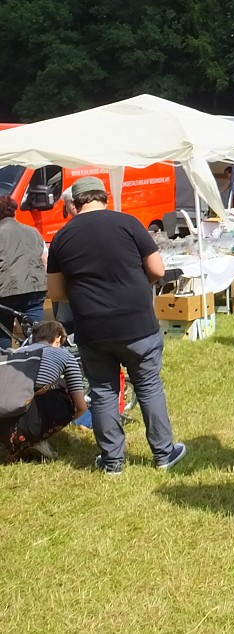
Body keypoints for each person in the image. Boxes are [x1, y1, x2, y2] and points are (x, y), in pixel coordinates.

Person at [46, 175, 186, 474]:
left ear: (74, 203)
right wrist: (135, 285)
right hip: (136, 321)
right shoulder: (129, 223)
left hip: (92, 327)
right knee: (148, 386)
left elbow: (56, 293)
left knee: (104, 390)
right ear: (104, 197)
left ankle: (112, 462)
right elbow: (157, 270)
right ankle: (163, 454)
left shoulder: (61, 236)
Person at [0, 320, 87, 463]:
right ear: (58, 339)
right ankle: (36, 439)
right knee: (67, 394)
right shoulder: (64, 355)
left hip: (4, 419)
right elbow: (81, 406)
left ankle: (14, 442)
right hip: (30, 424)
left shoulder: (14, 352)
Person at [0, 195, 47, 349]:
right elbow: (45, 259)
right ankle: (41, 367)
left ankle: (6, 366)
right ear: (14, 212)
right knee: (38, 335)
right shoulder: (33, 232)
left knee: (3, 335)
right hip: (34, 289)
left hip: (5, 291)